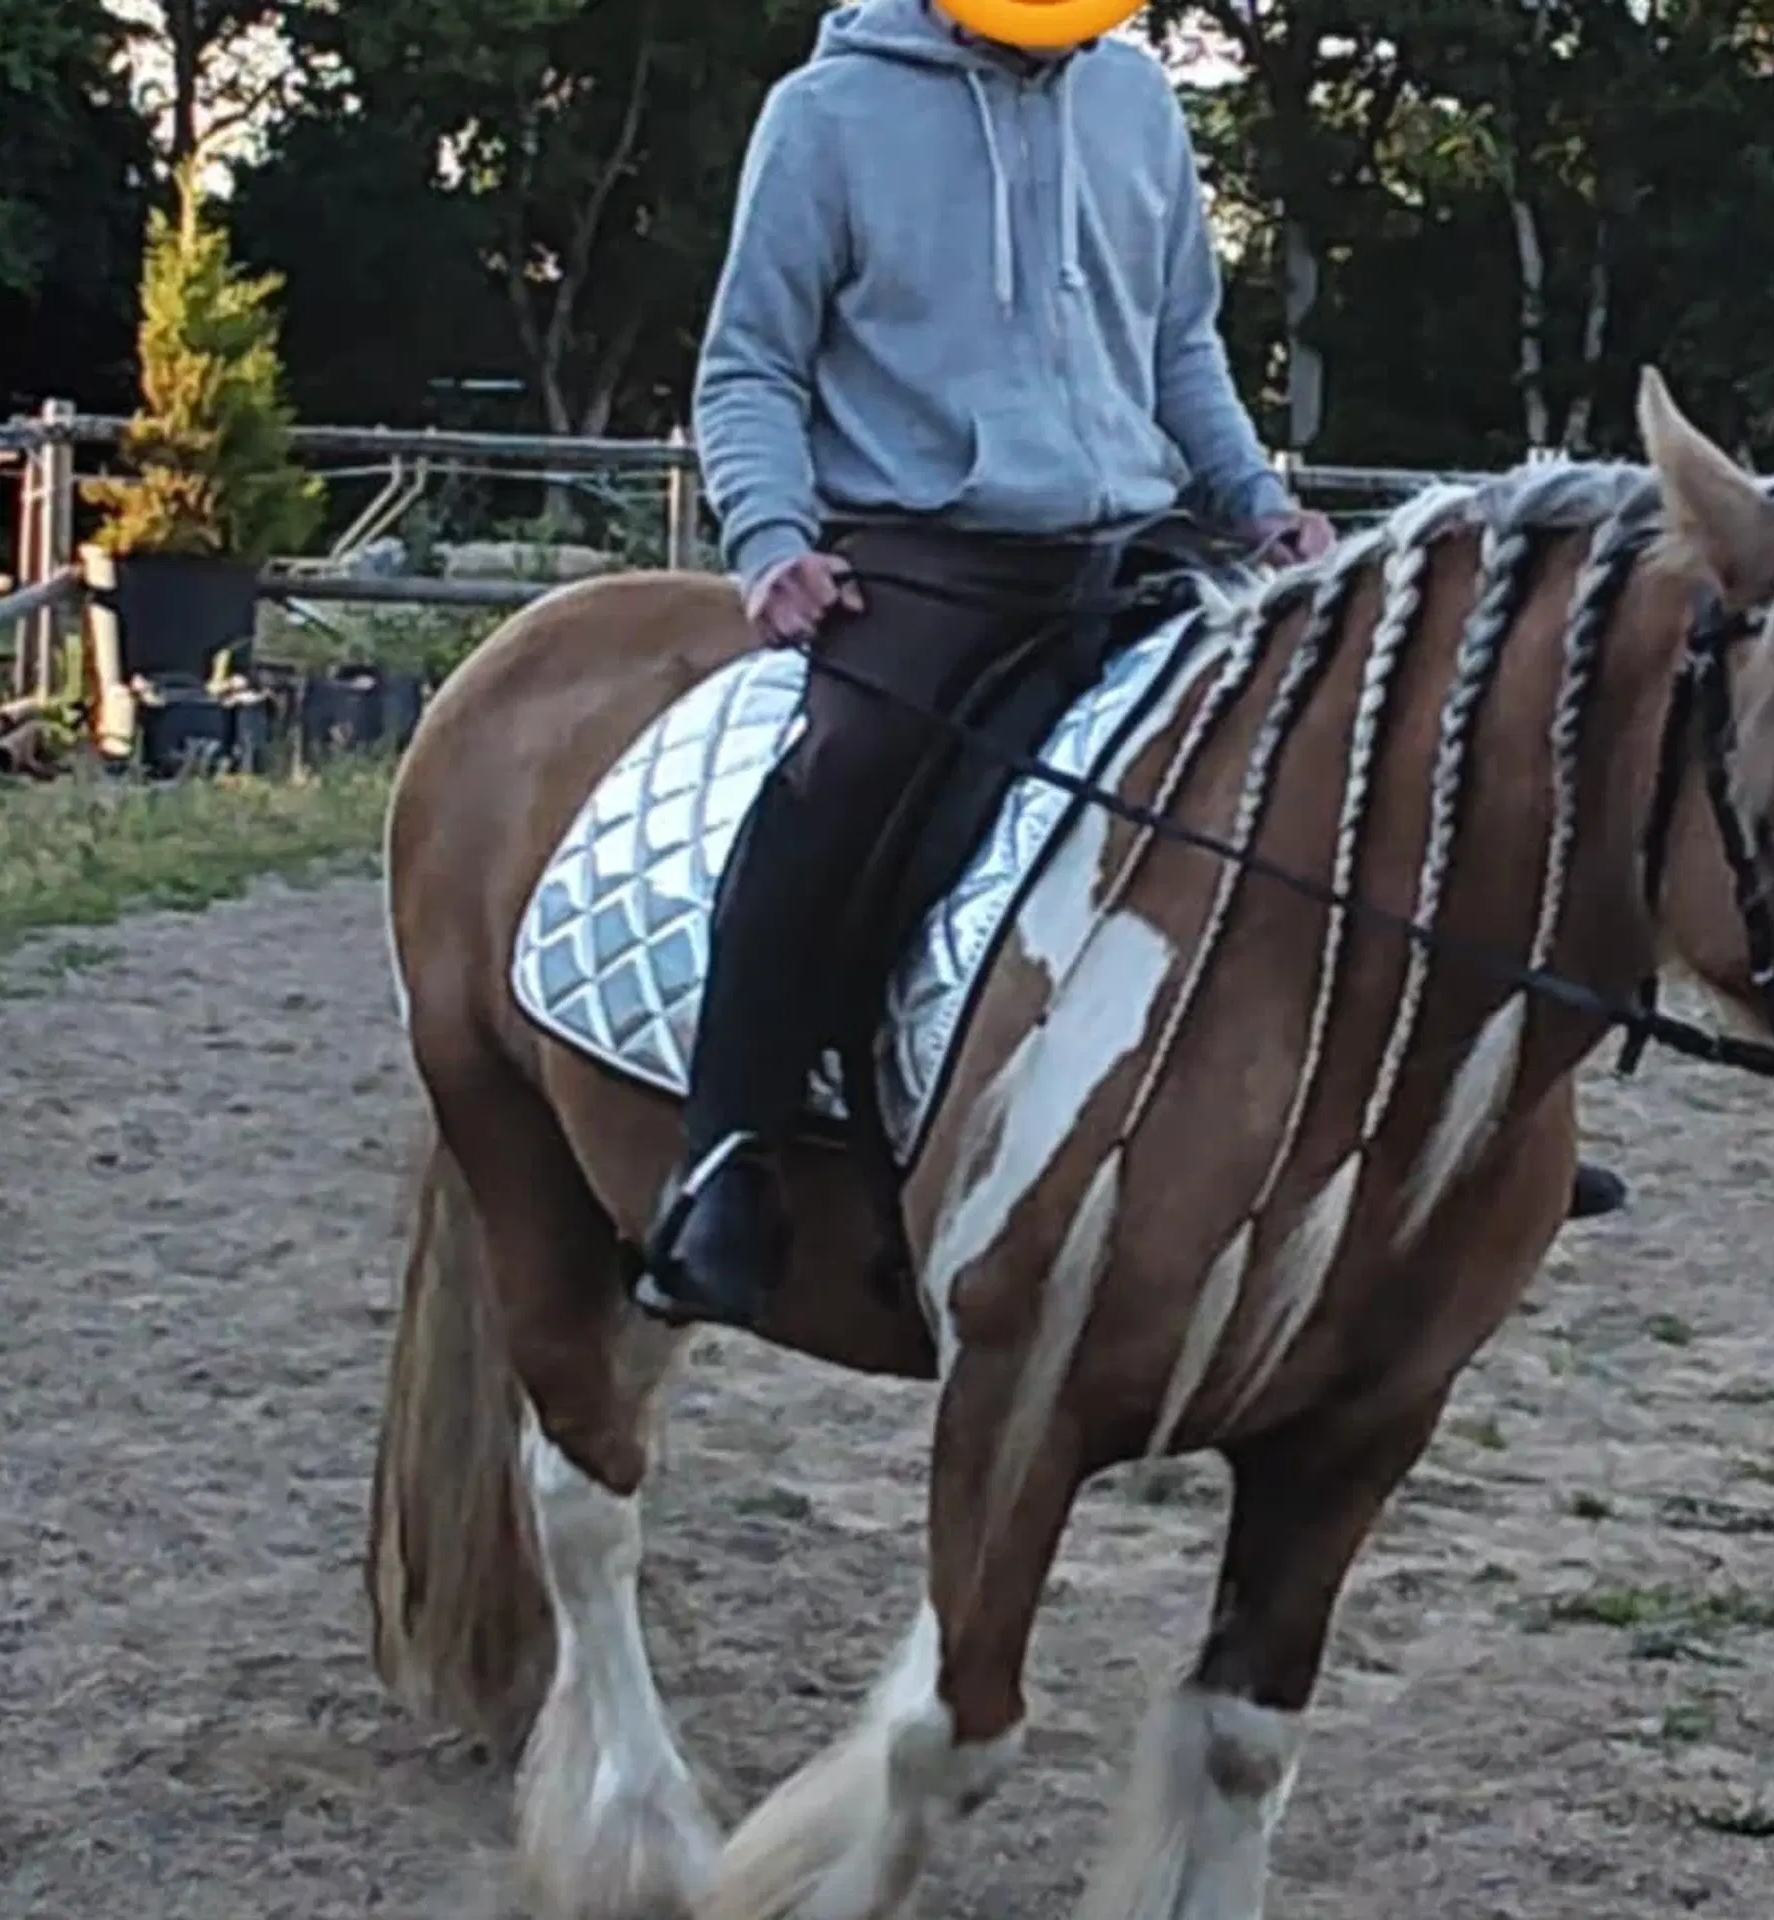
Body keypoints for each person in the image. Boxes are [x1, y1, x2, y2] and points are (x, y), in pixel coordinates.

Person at [651, 0, 1625, 1332]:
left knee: (1348, 766)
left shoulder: (1139, 106)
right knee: (843, 776)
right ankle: (729, 1149)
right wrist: (770, 536)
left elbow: (1179, 348)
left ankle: (1453, 1135)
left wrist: (1250, 497)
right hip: (928, 560)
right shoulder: (825, 119)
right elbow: (749, 367)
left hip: (1134, 548)